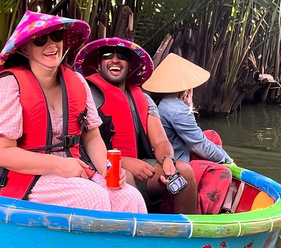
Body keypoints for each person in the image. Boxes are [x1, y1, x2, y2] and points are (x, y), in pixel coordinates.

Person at [0, 11, 147, 213]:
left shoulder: (78, 82)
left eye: (56, 37)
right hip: (20, 177)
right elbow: (2, 154)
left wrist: (107, 170)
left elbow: (92, 137)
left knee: (129, 196)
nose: (51, 45)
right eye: (40, 40)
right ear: (25, 48)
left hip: (75, 169)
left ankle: (126, 246)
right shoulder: (8, 84)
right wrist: (59, 165)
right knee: (92, 197)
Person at [74, 38, 198, 214]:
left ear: (130, 66)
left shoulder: (144, 99)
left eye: (122, 56)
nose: (115, 60)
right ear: (98, 65)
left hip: (141, 168)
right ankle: (136, 235)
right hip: (100, 169)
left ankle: (186, 233)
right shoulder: (86, 95)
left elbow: (161, 141)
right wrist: (125, 162)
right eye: (108, 55)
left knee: (184, 170)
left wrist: (168, 159)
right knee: (126, 175)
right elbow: (79, 146)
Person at [142, 53, 234, 214]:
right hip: (173, 160)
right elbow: (199, 144)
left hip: (167, 153)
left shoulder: (162, 101)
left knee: (212, 135)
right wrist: (228, 160)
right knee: (221, 171)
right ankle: (204, 213)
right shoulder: (176, 109)